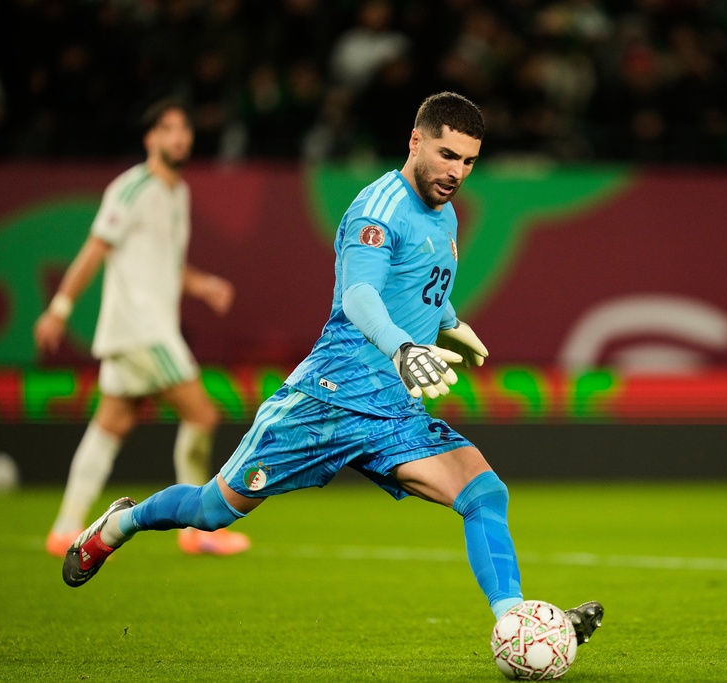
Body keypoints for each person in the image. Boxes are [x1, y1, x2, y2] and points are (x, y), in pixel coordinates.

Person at [60, 91, 603, 644]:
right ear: (415, 141)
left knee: (485, 493)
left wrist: (449, 322)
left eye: (468, 161)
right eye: (446, 155)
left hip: (395, 412)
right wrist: (401, 347)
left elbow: (421, 286)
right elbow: (360, 295)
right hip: (327, 400)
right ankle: (119, 524)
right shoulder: (379, 209)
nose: (456, 172)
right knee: (211, 509)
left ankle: (516, 623)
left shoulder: (446, 216)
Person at [36, 98, 250, 557]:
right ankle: (194, 529)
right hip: (142, 329)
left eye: (185, 128)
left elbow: (165, 265)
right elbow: (95, 249)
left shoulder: (178, 193)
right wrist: (59, 308)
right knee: (203, 414)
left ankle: (65, 528)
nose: (179, 136)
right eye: (168, 128)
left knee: (110, 424)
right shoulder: (131, 189)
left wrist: (203, 285)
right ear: (150, 138)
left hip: (143, 329)